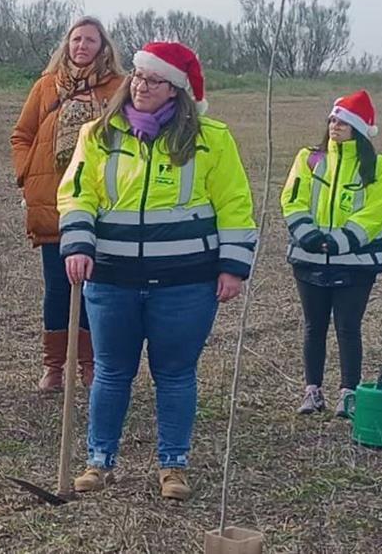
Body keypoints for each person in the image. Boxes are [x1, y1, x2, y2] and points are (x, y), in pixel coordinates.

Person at [58, 42, 256, 501]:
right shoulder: (98, 134)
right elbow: (77, 194)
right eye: (139, 77)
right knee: (110, 371)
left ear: (177, 91)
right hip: (111, 279)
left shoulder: (212, 138)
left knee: (175, 374)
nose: (142, 86)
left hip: (185, 283)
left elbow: (234, 204)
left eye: (155, 80)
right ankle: (98, 460)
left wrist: (233, 266)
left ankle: (173, 465)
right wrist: (78, 243)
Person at [11, 17, 124, 392]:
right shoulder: (46, 86)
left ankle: (91, 366)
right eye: (77, 39)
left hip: (101, 202)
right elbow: (22, 135)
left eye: (90, 40)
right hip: (52, 200)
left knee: (96, 284)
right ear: (67, 44)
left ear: (102, 46)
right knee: (57, 287)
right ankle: (54, 368)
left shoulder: (118, 88)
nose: (82, 46)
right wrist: (27, 175)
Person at [281, 90, 382, 417]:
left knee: (348, 327)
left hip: (357, 263)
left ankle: (348, 393)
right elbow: (292, 197)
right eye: (332, 119)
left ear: (358, 129)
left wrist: (340, 241)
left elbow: (375, 212)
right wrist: (307, 234)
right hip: (309, 259)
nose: (335, 125)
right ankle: (312, 391)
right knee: (312, 326)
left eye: (343, 121)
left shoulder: (381, 167)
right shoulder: (309, 158)